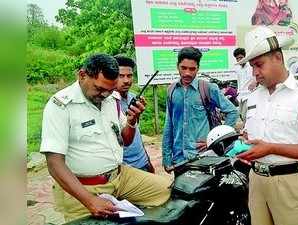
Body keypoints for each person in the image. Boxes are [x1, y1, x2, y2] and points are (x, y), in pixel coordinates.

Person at [40, 53, 171, 221]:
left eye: (110, 90)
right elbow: (54, 164)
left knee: (168, 190)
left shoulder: (112, 99)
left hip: (121, 176)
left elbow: (126, 140)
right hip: (84, 187)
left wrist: (131, 122)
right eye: (99, 89)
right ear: (82, 75)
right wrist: (90, 201)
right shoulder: (60, 105)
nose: (104, 95)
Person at [235, 26, 298, 225]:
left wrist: (271, 148)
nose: (255, 73)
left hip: (288, 182)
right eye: (252, 67)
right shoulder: (253, 97)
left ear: (278, 57)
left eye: (259, 65)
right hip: (256, 180)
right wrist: (246, 143)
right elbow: (251, 134)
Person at [162, 47, 238, 172]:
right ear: (177, 66)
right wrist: (166, 157)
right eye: (183, 68)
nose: (187, 73)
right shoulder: (172, 90)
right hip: (179, 159)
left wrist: (216, 142)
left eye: (192, 69)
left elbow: (232, 111)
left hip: (202, 157)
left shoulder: (207, 88)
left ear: (198, 68)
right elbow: (169, 125)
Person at [114, 55, 155, 173]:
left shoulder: (133, 98)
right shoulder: (107, 103)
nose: (126, 80)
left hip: (143, 161)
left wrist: (147, 159)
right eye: (121, 76)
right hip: (125, 168)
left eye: (129, 75)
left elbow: (136, 132)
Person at [233, 48, 257, 122]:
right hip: (241, 96)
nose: (239, 60)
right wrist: (237, 93)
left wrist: (255, 81)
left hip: (250, 95)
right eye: (237, 58)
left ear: (245, 57)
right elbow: (239, 82)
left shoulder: (251, 66)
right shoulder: (238, 69)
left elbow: (257, 76)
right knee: (242, 116)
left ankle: (248, 131)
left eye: (241, 57)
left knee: (248, 116)